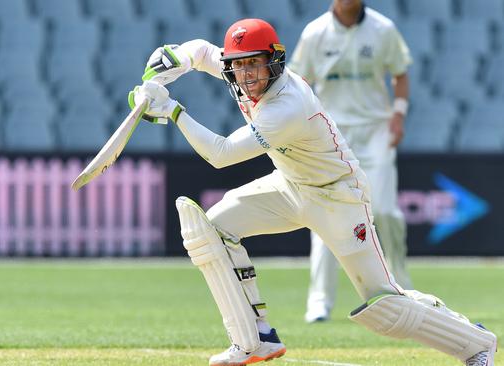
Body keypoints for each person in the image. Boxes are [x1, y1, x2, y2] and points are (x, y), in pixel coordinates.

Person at [130, 18, 496, 366]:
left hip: (339, 197)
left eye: (255, 65)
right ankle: (255, 338)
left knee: (385, 303)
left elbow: (221, 155)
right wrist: (170, 59)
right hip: (290, 186)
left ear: (274, 61)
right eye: (239, 67)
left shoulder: (288, 105)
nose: (248, 76)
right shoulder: (238, 74)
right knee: (213, 229)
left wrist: (173, 112)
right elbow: (201, 52)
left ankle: (477, 345)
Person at [288, 0, 413, 323]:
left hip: (376, 130)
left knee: (384, 211)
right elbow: (298, 84)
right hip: (331, 133)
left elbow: (400, 74)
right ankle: (319, 302)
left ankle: (403, 287)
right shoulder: (314, 32)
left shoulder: (382, 29)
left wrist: (398, 116)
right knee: (326, 214)